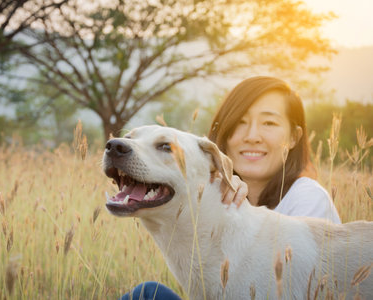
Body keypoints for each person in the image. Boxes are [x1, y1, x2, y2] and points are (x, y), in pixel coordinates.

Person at [119, 76, 341, 300]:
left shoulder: (308, 199)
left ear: (294, 137)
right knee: (147, 294)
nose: (252, 136)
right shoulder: (209, 197)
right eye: (240, 122)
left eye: (269, 123)